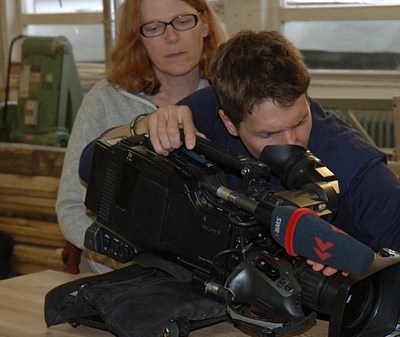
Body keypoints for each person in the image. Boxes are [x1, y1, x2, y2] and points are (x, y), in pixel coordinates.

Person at [80, 29, 400, 276]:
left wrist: (363, 267)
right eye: (268, 133)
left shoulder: (355, 168)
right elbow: (88, 166)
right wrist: (144, 125)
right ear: (229, 122)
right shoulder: (206, 111)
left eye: (301, 120)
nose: (292, 141)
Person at [56, 0, 227, 273]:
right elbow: (71, 207)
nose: (172, 37)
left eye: (183, 21)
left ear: (204, 25)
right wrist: (128, 258)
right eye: (154, 27)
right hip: (118, 278)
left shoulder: (229, 96)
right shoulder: (106, 100)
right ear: (139, 39)